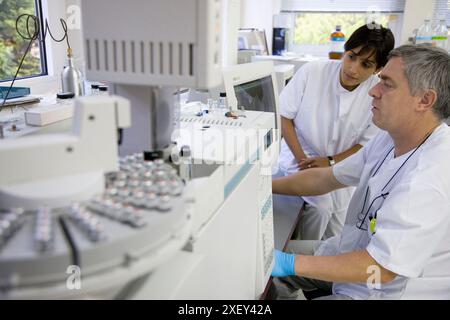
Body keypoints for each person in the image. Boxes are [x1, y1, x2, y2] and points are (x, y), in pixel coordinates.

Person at [270, 44, 450, 299]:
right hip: (351, 253)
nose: (373, 91)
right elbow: (325, 178)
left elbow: (382, 268)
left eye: (386, 84)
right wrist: (265, 186)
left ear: (425, 100)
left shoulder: (430, 178)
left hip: (380, 289)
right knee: (266, 262)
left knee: (278, 263)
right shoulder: (389, 139)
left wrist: (288, 264)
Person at [274, 24, 395, 241]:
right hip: (299, 155)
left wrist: (330, 161)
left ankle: (318, 265)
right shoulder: (313, 72)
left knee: (339, 230)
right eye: (351, 56)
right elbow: (284, 116)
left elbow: (365, 144)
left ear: (378, 69)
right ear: (345, 50)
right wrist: (302, 159)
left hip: (340, 165)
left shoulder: (377, 93)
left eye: (365, 64)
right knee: (321, 208)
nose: (353, 69)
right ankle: (297, 265)